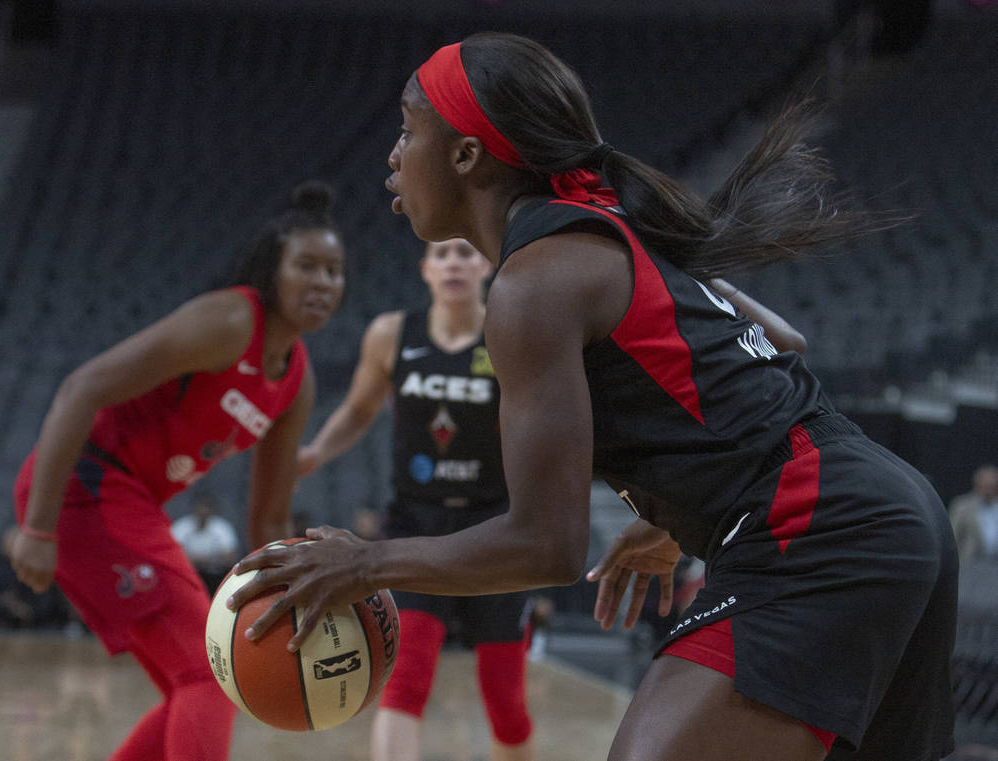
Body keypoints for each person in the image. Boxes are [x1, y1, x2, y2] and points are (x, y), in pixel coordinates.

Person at [228, 34, 958, 761]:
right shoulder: (609, 232)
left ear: (464, 155)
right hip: (882, 505)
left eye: (407, 127)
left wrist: (365, 563)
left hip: (819, 530)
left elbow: (546, 545)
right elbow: (782, 341)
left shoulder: (535, 283)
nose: (392, 153)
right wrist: (681, 510)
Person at [8, 181, 346, 761]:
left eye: (334, 271)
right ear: (273, 269)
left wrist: (292, 595)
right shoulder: (229, 320)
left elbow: (268, 514)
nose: (322, 282)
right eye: (307, 266)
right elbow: (80, 388)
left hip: (128, 499)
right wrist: (37, 529)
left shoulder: (298, 382)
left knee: (193, 683)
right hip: (83, 485)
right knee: (210, 677)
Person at [296, 237, 536, 761]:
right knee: (404, 683)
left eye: (466, 253)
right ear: (426, 269)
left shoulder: (509, 331)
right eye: (443, 254)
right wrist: (316, 450)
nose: (455, 263)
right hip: (414, 526)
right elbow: (360, 410)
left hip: (494, 527)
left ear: (487, 267)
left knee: (506, 699)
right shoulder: (390, 334)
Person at [170, 492, 240, 593]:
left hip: (214, 576)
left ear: (212, 509)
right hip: (187, 575)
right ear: (194, 508)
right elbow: (172, 555)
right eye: (201, 507)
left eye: (207, 507)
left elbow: (230, 557)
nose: (203, 511)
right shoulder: (182, 526)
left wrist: (205, 560)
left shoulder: (222, 527)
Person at [948, 463, 998, 563]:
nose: (988, 491)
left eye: (992, 487)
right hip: (969, 565)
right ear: (977, 485)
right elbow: (952, 537)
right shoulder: (962, 506)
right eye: (985, 486)